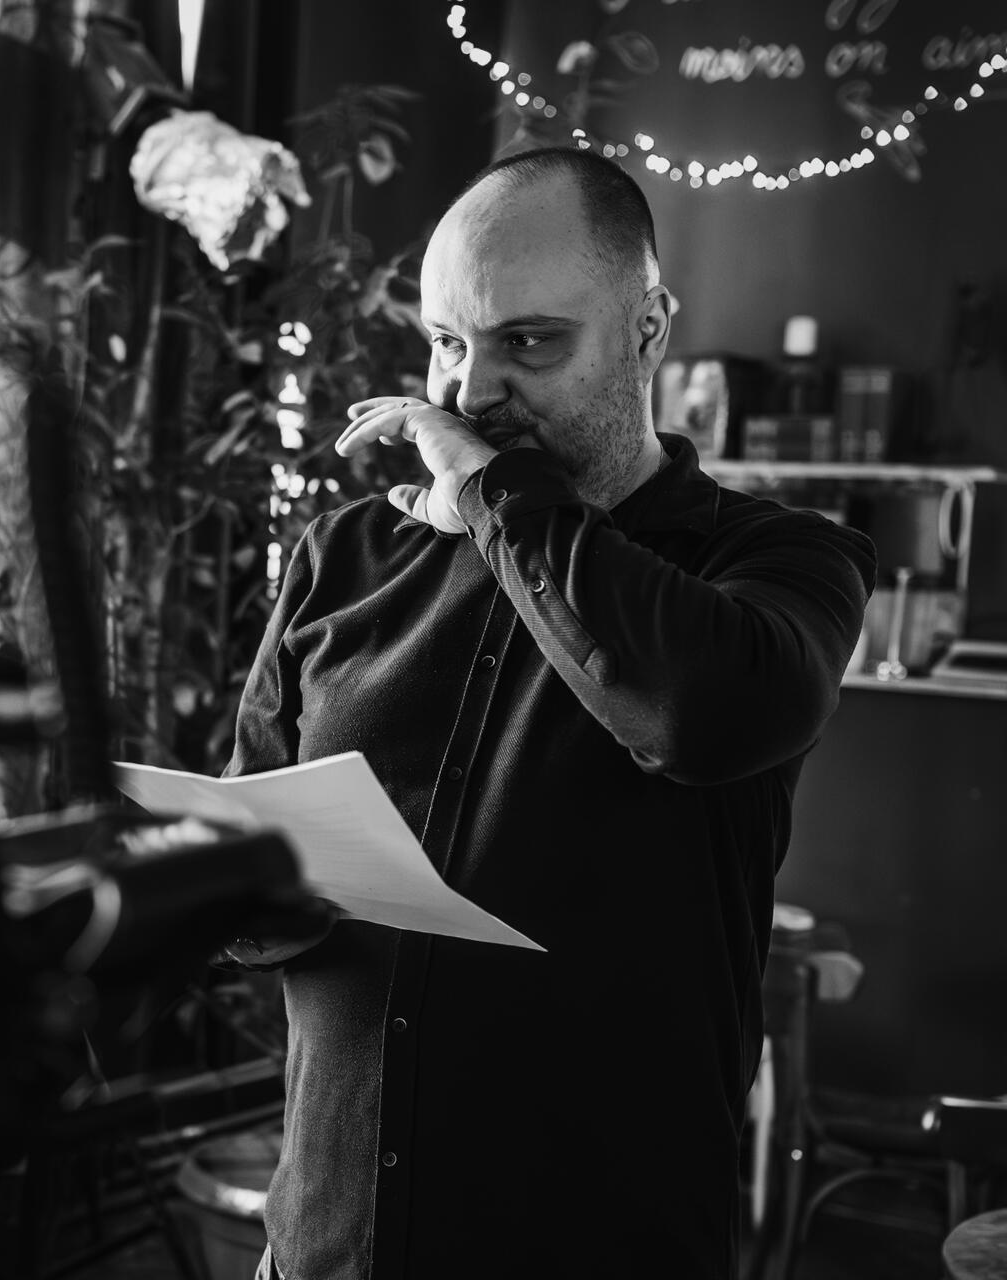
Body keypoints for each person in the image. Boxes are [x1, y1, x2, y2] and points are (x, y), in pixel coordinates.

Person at [222, 146, 876, 1279]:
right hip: (324, 1249)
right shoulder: (344, 556)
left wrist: (488, 490)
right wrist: (234, 901)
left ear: (647, 330)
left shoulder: (779, 564)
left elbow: (699, 714)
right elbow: (244, 840)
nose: (469, 396)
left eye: (527, 343)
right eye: (446, 343)